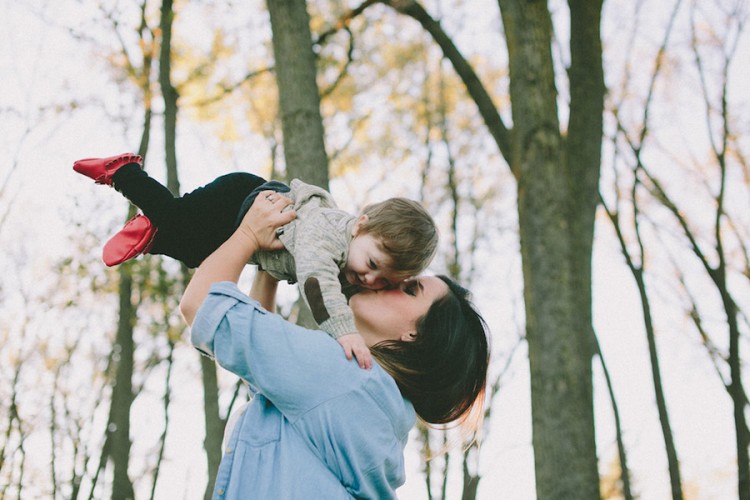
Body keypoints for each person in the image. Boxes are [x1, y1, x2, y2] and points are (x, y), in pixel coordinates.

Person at [179, 191, 490, 499]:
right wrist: (270, 267)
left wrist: (247, 233)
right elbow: (265, 373)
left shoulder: (343, 377)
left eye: (409, 289)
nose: (390, 282)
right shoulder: (381, 407)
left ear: (415, 336)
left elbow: (201, 306)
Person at [73, 153, 438, 368]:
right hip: (239, 201)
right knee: (182, 227)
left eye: (384, 282)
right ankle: (124, 173)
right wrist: (345, 330)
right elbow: (316, 280)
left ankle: (153, 232)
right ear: (360, 225)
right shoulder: (327, 234)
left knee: (192, 250)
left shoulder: (353, 260)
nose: (369, 280)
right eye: (373, 265)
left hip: (241, 214)